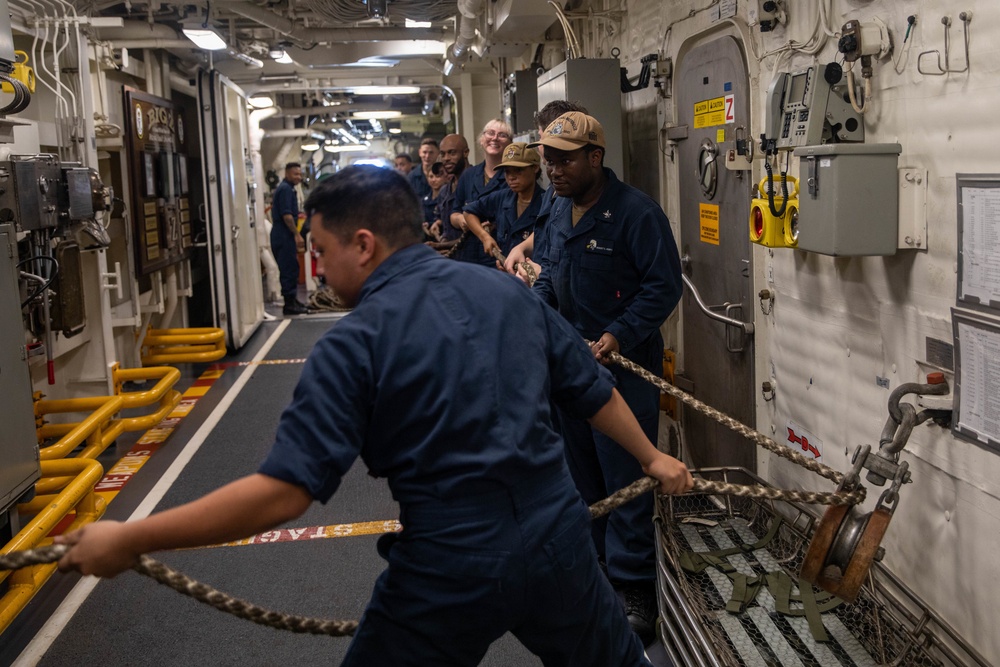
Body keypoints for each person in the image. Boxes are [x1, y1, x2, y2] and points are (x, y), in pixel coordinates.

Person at [55, 165, 693, 667]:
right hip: (560, 540)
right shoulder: (504, 291)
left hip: (452, 561)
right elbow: (592, 390)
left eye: (323, 250)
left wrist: (130, 536)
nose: (322, 268)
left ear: (362, 245)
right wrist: (654, 457)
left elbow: (282, 494)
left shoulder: (353, 343)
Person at [528, 112, 684, 645]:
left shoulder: (637, 214)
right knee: (581, 478)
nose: (553, 169)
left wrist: (618, 334)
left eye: (565, 159)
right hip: (570, 370)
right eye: (549, 158)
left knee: (629, 480)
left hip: (623, 373)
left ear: (595, 157)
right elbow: (550, 272)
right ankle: (597, 574)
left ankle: (635, 586)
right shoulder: (556, 209)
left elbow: (663, 288)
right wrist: (533, 315)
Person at [503, 100, 589, 282]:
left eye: (542, 138)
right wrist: (523, 247)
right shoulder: (554, 190)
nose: (540, 147)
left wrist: (541, 275)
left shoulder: (579, 197)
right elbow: (549, 232)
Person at [463, 142, 543, 263]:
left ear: (535, 168)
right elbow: (468, 212)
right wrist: (484, 237)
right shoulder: (501, 198)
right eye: (507, 172)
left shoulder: (547, 202)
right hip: (505, 272)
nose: (511, 177)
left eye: (518, 170)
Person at [449, 121, 512, 266]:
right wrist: (461, 219)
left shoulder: (513, 178)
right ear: (482, 139)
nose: (495, 138)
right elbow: (454, 213)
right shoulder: (468, 175)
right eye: (490, 133)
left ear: (510, 143)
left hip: (499, 253)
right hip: (468, 254)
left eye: (502, 135)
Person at [270, 162, 309, 315]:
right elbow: (287, 216)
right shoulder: (286, 189)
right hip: (283, 233)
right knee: (288, 268)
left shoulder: (289, 189)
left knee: (292, 267)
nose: (298, 177)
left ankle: (293, 300)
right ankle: (289, 304)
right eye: (295, 174)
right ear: (287, 174)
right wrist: (297, 234)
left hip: (283, 233)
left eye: (300, 174)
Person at [426, 133, 469, 250]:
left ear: (465, 153)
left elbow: (475, 235)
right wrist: (442, 238)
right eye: (443, 154)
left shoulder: (477, 184)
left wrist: (440, 246)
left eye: (452, 153)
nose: (446, 158)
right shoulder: (445, 191)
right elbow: (447, 229)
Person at [420, 161, 447, 241]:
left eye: (437, 176)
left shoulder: (446, 197)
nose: (434, 180)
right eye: (431, 177)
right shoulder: (424, 200)